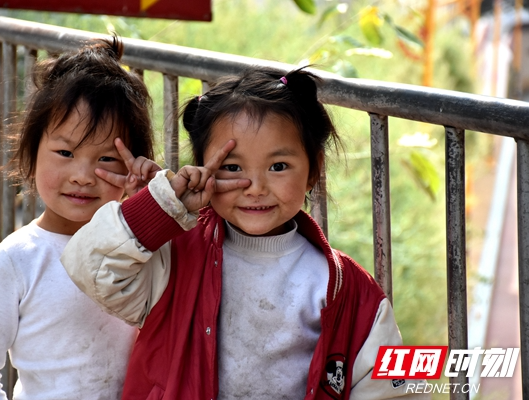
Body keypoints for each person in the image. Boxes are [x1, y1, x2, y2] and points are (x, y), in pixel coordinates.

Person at [61, 66, 428, 399]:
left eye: (278, 166)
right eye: (233, 167)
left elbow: (402, 389)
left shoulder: (350, 291)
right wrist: (159, 206)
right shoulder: (176, 256)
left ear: (313, 171)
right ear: (203, 170)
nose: (255, 187)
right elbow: (88, 267)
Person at [0, 36, 160, 400]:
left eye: (107, 159)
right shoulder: (14, 262)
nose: (82, 175)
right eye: (65, 152)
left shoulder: (147, 251)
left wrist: (154, 202)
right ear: (31, 156)